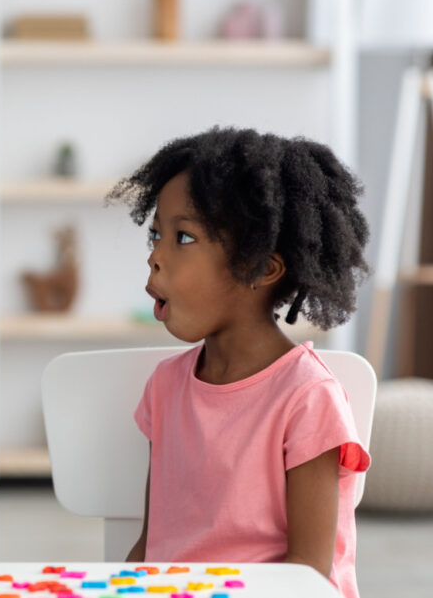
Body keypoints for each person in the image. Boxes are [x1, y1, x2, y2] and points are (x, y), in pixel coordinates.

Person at [108, 127, 371, 598]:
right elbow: (152, 547)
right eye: (156, 236)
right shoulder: (166, 387)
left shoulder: (307, 399)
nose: (155, 258)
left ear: (261, 268)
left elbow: (308, 576)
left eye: (183, 238)